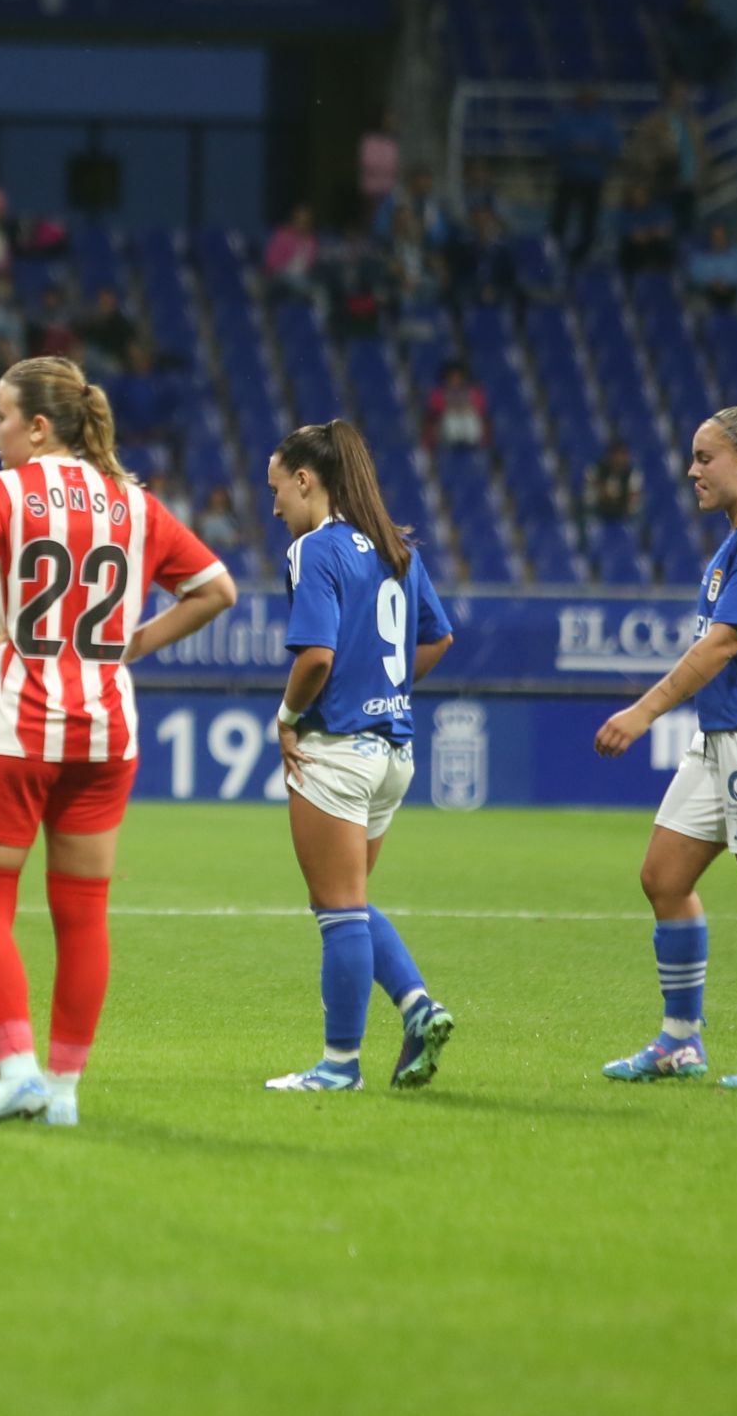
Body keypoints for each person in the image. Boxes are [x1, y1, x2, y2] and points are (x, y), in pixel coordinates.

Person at [0, 356, 239, 1127]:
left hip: (16, 727)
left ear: (38, 426)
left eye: (0, 415)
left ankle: (18, 1070)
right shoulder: (135, 503)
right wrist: (132, 645)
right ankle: (63, 1091)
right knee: (83, 913)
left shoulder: (2, 493)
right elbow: (217, 590)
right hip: (105, 730)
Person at [593, 405, 737, 1089]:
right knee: (664, 876)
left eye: (705, 457)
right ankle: (679, 1041)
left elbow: (725, 642)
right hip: (725, 735)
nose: (692, 470)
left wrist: (641, 713)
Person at [263, 420, 456, 1092]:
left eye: (278, 486)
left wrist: (287, 718)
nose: (275, 502)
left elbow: (315, 656)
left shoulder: (315, 550)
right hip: (393, 752)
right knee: (350, 899)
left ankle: (339, 1065)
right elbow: (437, 636)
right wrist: (388, 688)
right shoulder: (392, 545)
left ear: (307, 479)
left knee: (337, 907)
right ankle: (417, 1006)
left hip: (338, 749)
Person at [546, 87, 621, 266]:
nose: (588, 101)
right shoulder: (566, 119)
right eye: (585, 97)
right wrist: (573, 147)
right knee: (560, 216)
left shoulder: (604, 121)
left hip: (593, 177)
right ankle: (554, 250)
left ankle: (584, 254)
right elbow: (553, 145)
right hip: (569, 176)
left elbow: (614, 147)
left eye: (591, 97)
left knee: (590, 220)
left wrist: (596, 148)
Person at [628, 81, 707, 234]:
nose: (682, 99)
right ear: (667, 97)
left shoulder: (693, 123)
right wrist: (660, 165)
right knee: (665, 231)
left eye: (684, 95)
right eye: (678, 95)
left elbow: (700, 153)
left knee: (688, 230)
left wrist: (701, 177)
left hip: (689, 186)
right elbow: (641, 151)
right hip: (663, 186)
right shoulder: (653, 123)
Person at [686, 222, 737, 308]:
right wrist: (712, 282)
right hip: (708, 293)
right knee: (696, 304)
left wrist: (727, 282)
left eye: (721, 237)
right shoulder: (700, 257)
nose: (718, 240)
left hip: (733, 292)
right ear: (710, 238)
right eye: (715, 237)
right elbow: (694, 276)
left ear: (727, 238)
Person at [617, 182, 678, 276]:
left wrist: (647, 233)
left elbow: (666, 230)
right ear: (631, 197)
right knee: (629, 250)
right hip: (633, 249)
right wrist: (652, 232)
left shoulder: (658, 209)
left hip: (656, 246)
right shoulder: (626, 214)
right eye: (636, 195)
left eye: (643, 195)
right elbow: (635, 237)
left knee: (665, 248)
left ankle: (663, 280)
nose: (640, 198)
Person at [265, 205, 320, 300]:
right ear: (294, 220)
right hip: (281, 275)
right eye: (299, 220)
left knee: (318, 282)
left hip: (303, 277)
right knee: (299, 282)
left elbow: (311, 264)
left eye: (306, 221)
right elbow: (270, 261)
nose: (302, 224)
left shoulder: (312, 241)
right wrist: (286, 267)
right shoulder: (283, 236)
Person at [585, 439, 643, 527]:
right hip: (598, 511)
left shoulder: (633, 474)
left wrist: (610, 495)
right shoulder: (596, 470)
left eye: (623, 455)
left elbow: (633, 500)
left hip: (622, 514)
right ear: (610, 456)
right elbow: (589, 495)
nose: (619, 459)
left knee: (638, 515)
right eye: (616, 456)